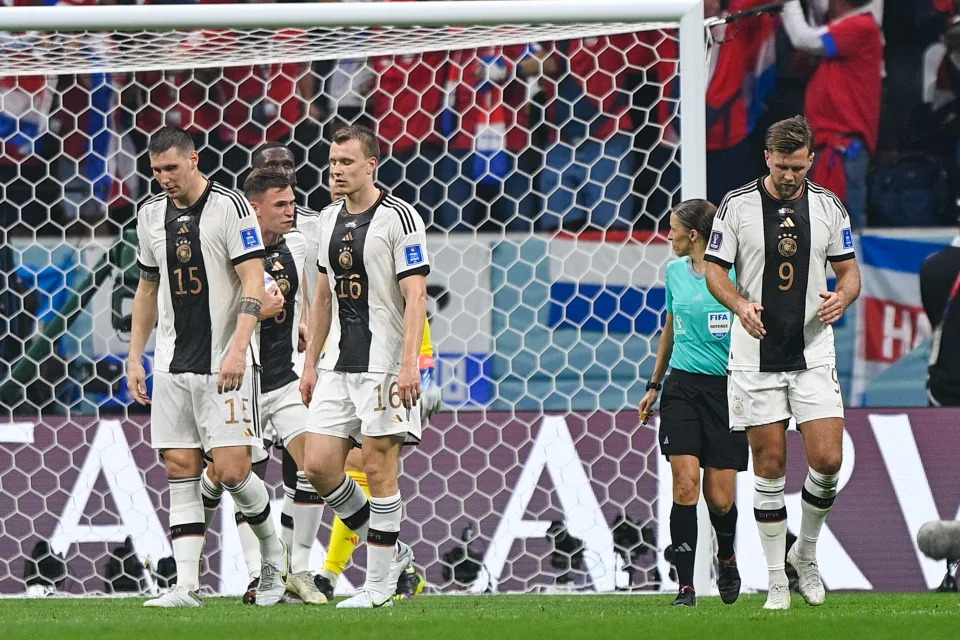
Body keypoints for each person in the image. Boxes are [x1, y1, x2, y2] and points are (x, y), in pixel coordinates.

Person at [126, 125, 287, 608]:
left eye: (171, 168)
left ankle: (273, 559)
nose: (164, 179)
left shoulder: (230, 207)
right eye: (156, 171)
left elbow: (253, 278)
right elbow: (147, 289)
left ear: (194, 160)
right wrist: (136, 356)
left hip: (225, 361)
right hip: (173, 363)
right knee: (180, 466)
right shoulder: (149, 214)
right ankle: (186, 588)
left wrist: (240, 347)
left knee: (234, 471)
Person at [704, 116, 861, 610]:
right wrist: (739, 305)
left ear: (810, 159)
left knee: (828, 461)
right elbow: (714, 270)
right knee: (769, 466)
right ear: (767, 158)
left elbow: (849, 270)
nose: (790, 174)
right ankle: (776, 579)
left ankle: (805, 556)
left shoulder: (829, 206)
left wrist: (844, 297)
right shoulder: (736, 205)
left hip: (813, 348)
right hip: (755, 353)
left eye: (798, 166)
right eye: (782, 165)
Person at [299, 124, 428, 609]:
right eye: (333, 162)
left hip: (383, 364)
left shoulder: (400, 218)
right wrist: (311, 364)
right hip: (336, 361)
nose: (336, 170)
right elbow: (321, 295)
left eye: (347, 162)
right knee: (318, 466)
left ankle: (377, 588)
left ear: (371, 165)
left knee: (377, 466)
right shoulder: (327, 219)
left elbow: (415, 295)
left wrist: (408, 364)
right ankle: (392, 555)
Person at [201, 169, 328, 605]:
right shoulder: (227, 248)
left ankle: (303, 571)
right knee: (240, 476)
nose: (292, 211)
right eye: (282, 204)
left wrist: (305, 324)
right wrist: (256, 311)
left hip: (285, 376)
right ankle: (261, 573)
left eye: (293, 203)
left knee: (315, 464)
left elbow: (305, 294)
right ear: (254, 207)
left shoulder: (299, 243)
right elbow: (212, 308)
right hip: (242, 381)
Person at [637, 199, 746, 607]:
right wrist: (654, 383)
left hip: (725, 391)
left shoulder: (735, 274)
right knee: (685, 485)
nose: (668, 236)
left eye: (673, 229)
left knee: (720, 499)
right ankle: (686, 587)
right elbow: (670, 327)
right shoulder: (673, 273)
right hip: (681, 389)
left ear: (694, 234)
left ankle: (728, 557)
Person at [779, 0, 883, 230]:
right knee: (824, 230)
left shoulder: (861, 27)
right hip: (828, 147)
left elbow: (803, 39)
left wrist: (789, 3)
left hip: (844, 152)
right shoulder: (843, 30)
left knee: (845, 233)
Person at [920, 227, 960, 407]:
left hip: (944, 388)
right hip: (945, 391)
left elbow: (934, 318)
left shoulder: (932, 266)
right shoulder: (932, 266)